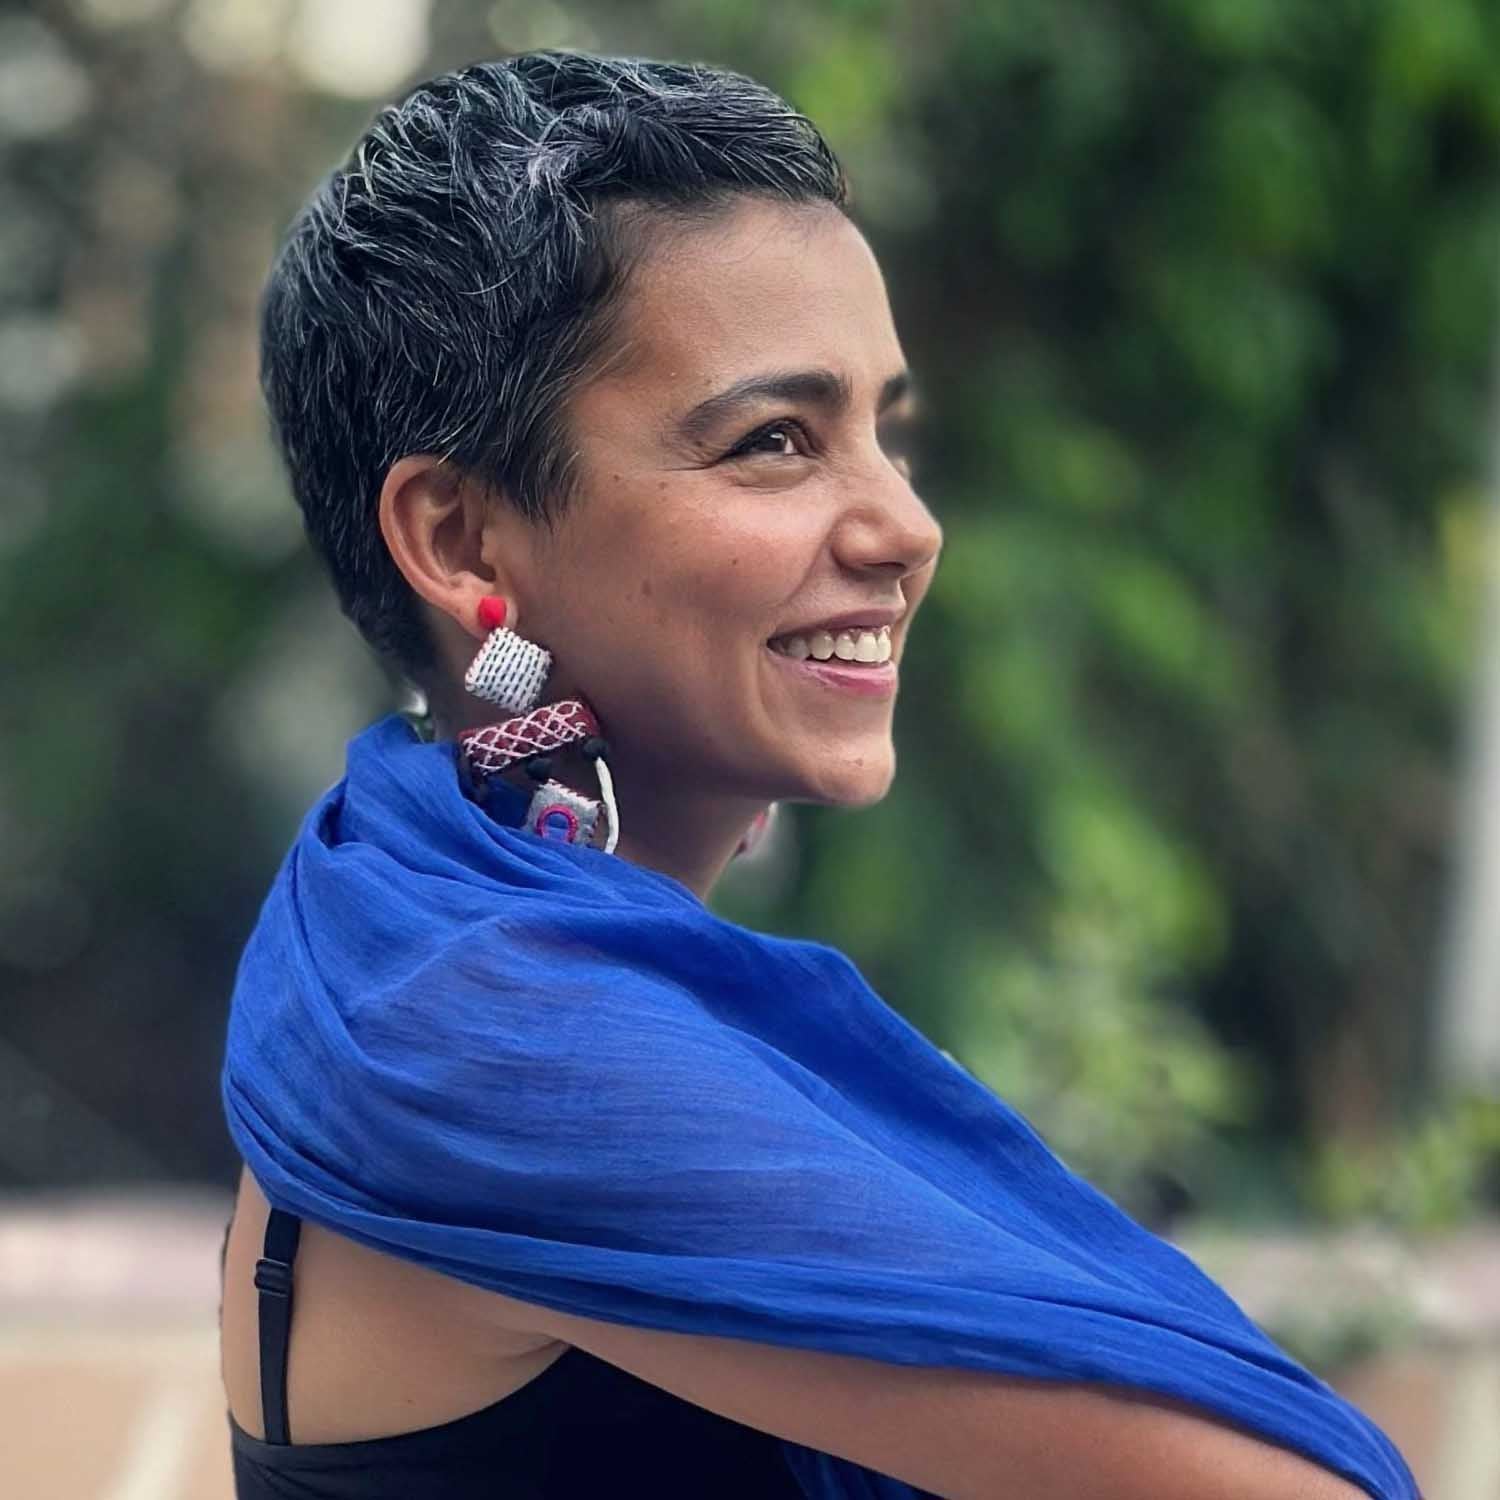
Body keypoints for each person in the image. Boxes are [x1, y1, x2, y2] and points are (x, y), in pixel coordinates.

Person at [218, 49, 1418, 1500]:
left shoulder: (402, 922)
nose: (905, 526)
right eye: (775, 441)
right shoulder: (486, 1035)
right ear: (463, 541)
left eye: (884, 434)